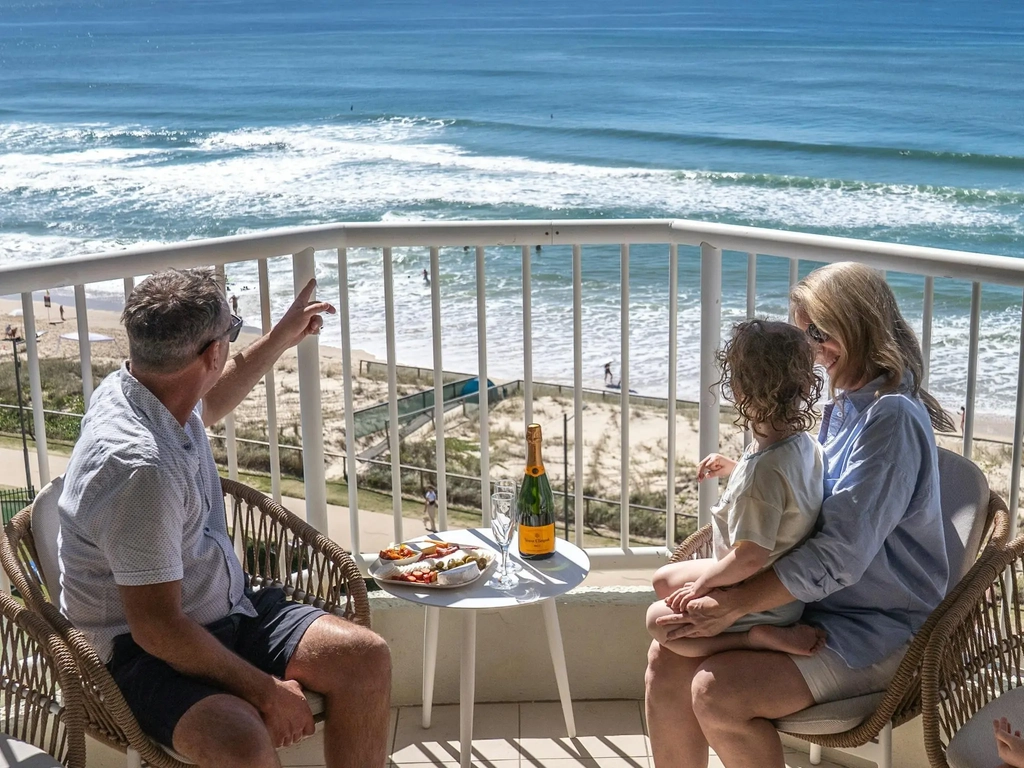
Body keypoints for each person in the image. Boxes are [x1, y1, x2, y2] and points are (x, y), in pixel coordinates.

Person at [57, 268, 391, 768]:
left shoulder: (147, 387)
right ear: (211, 354)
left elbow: (210, 399)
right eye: (231, 331)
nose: (230, 345)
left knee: (364, 659)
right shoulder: (138, 469)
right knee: (240, 737)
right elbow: (157, 628)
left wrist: (279, 338)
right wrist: (268, 693)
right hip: (138, 655)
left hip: (224, 608)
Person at [645, 261, 954, 768]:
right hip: (814, 608)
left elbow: (840, 556)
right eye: (803, 333)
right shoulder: (847, 404)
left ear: (857, 324)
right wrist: (744, 466)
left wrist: (737, 604)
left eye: (818, 332)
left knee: (717, 694)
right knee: (668, 654)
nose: (811, 349)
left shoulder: (890, 417)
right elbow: (803, 488)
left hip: (874, 629)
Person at [646, 320, 825, 659]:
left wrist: (704, 585)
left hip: (759, 593)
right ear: (805, 384)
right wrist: (734, 467)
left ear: (739, 391)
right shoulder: (799, 444)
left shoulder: (763, 473)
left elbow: (750, 556)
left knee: (658, 622)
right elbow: (786, 496)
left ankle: (753, 638)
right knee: (662, 579)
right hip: (767, 578)